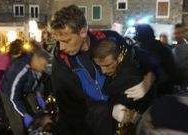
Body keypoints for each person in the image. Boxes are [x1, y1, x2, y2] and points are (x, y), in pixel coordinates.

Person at [50, 5, 153, 135]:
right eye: (58, 41)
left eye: (66, 40)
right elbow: (72, 109)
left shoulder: (111, 39)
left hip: (123, 123)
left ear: (83, 32)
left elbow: (140, 58)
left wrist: (149, 77)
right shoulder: (61, 62)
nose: (61, 47)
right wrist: (109, 111)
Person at [92, 39, 156, 134]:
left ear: (119, 57)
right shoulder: (128, 62)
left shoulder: (130, 77)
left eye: (107, 65)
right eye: (99, 66)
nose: (103, 71)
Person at [0, 46, 50, 135]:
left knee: (36, 111)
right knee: (18, 121)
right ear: (36, 61)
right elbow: (13, 96)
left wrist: (38, 94)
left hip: (26, 89)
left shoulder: (38, 68)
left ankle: (36, 131)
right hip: (9, 93)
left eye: (45, 66)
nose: (43, 68)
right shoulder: (20, 69)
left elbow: (37, 82)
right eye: (42, 65)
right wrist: (24, 114)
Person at [134, 24, 178, 96]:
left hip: (155, 90)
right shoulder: (163, 47)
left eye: (136, 33)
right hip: (165, 89)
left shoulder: (143, 50)